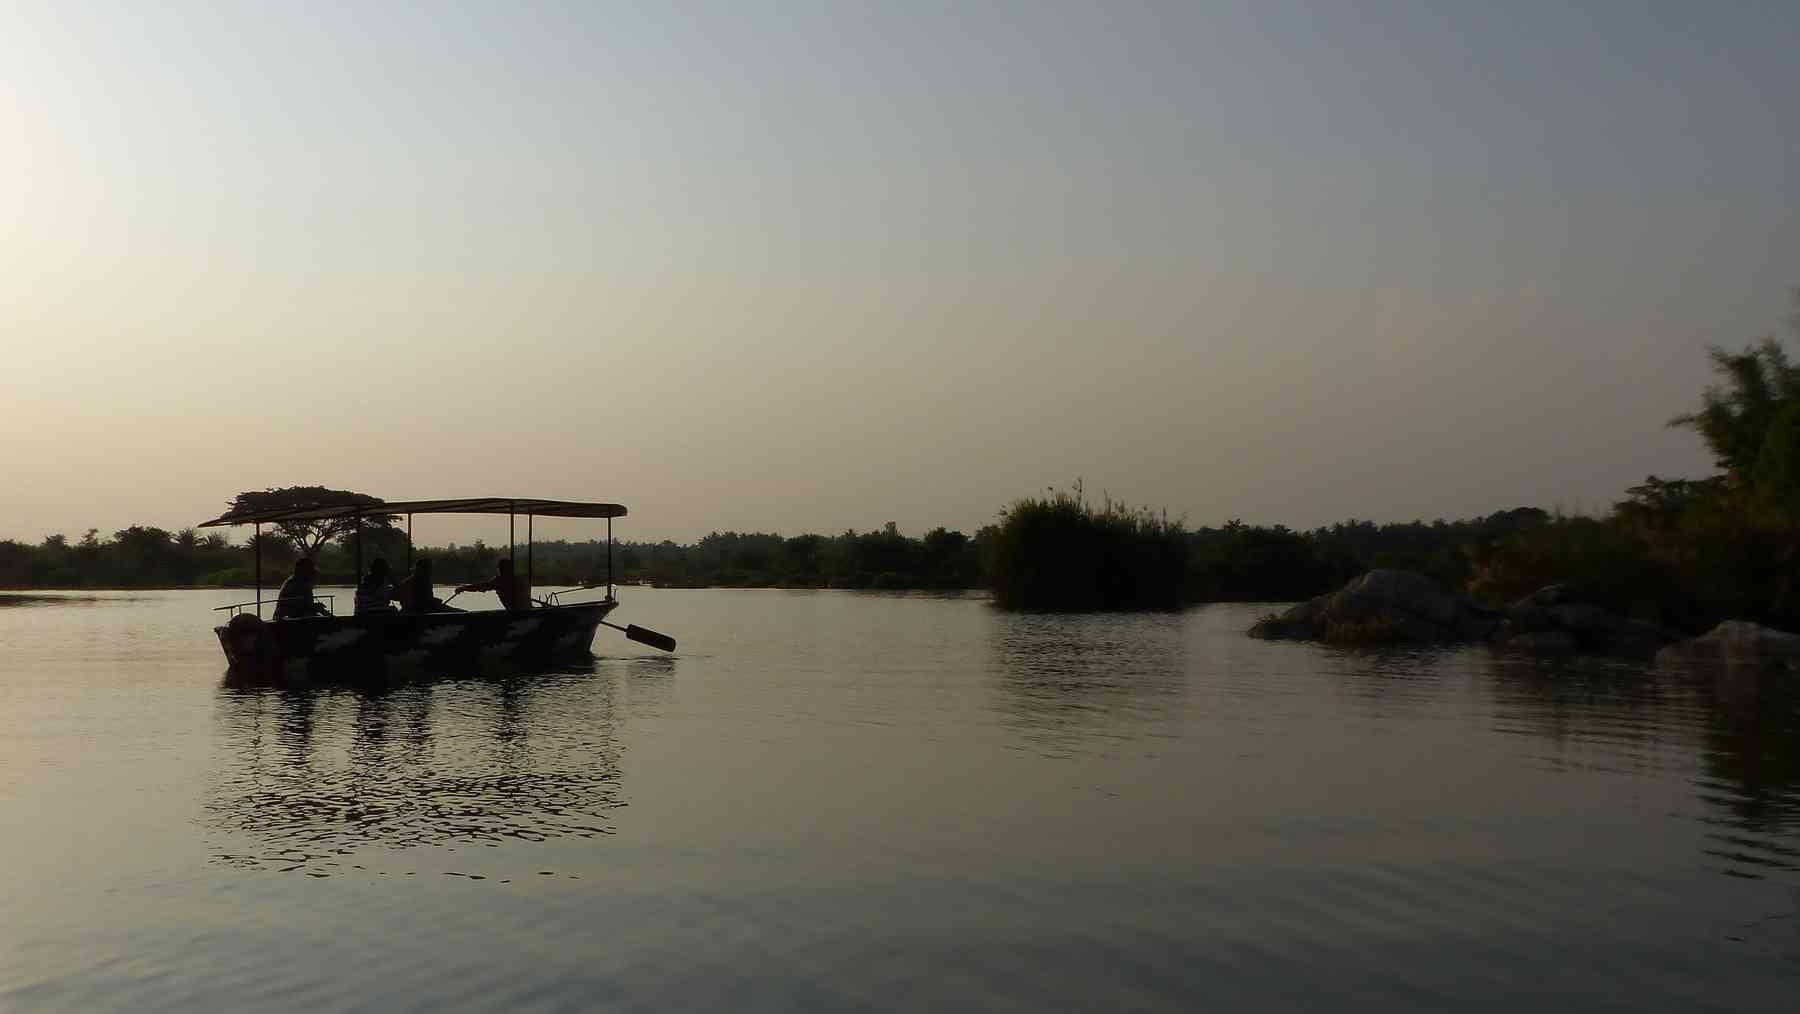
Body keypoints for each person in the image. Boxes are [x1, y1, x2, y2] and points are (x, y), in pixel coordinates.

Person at [456, 558, 534, 611]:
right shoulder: (519, 579)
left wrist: (463, 588)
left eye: (500, 568)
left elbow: (482, 586)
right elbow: (483, 586)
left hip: (519, 613)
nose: (499, 570)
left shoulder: (501, 581)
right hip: (526, 610)